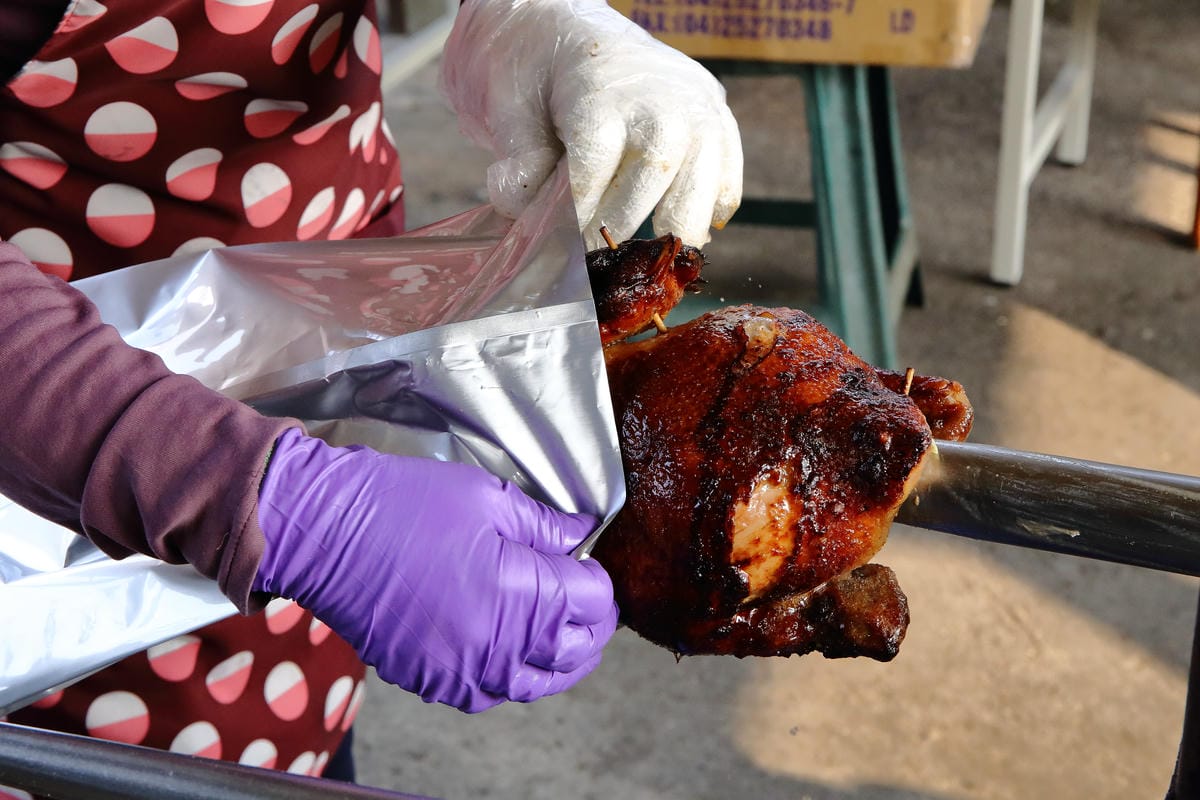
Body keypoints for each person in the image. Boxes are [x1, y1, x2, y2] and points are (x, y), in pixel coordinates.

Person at [0, 0, 743, 786]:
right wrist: (285, 508)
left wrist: (537, 16)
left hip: (356, 363)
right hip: (56, 443)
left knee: (288, 718)